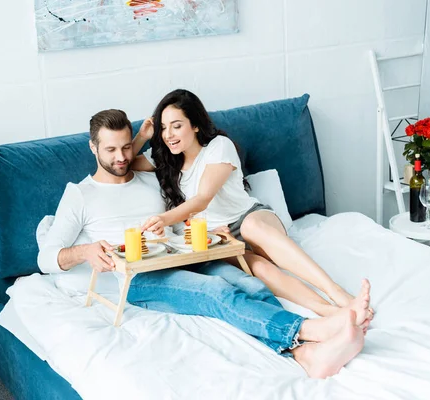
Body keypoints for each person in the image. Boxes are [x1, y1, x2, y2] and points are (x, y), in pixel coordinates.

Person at [37, 108, 368, 379]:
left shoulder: (150, 176)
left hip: (181, 256)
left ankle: (303, 353)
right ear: (93, 148)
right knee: (218, 294)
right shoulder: (80, 194)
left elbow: (185, 211)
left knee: (248, 285)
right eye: (110, 150)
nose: (121, 157)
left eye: (126, 147)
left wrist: (212, 231)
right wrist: (85, 251)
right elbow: (47, 258)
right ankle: (313, 330)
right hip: (136, 279)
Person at [132, 89, 373, 325]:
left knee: (252, 227)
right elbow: (123, 162)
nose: (168, 134)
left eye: (176, 125)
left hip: (249, 218)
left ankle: (337, 292)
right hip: (218, 238)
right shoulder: (164, 158)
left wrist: (164, 219)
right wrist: (142, 136)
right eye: (164, 127)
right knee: (259, 268)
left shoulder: (218, 146)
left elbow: (203, 198)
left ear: (195, 125)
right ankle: (329, 312)